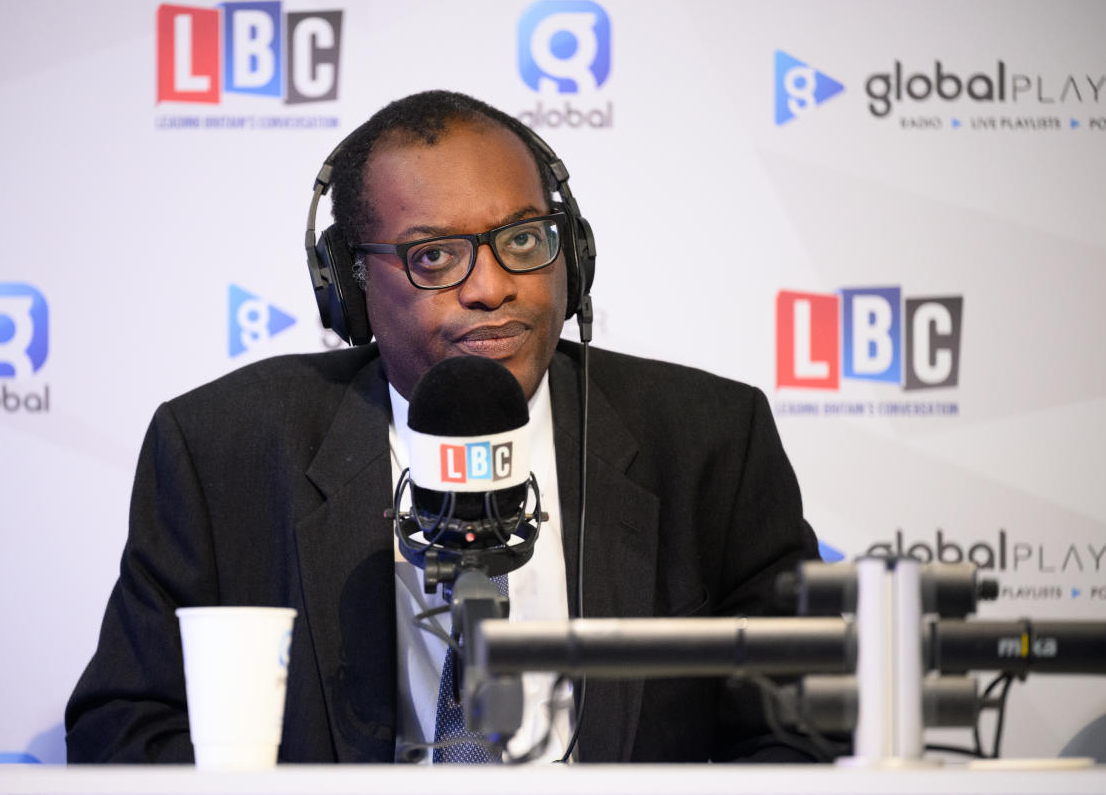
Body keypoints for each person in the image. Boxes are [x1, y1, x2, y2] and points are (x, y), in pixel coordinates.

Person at [65, 90, 819, 764]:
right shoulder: (219, 450)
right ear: (350, 285)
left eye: (524, 240)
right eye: (434, 257)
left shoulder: (710, 441)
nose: (492, 287)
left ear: (574, 255)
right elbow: (122, 730)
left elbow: (799, 730)